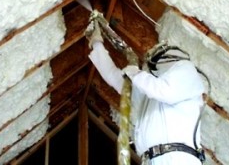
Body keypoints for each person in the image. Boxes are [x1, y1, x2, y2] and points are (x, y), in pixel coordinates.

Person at [86, 23, 205, 165]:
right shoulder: (152, 91)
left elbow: (164, 91)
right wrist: (97, 44)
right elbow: (116, 79)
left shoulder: (186, 70)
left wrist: (134, 72)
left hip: (176, 159)